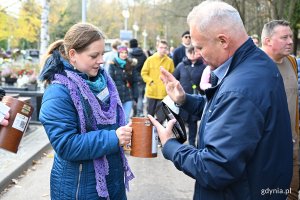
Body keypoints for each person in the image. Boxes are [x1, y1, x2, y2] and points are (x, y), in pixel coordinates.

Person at [147, 1, 293, 199]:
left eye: (200, 47)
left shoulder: (240, 88)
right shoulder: (253, 62)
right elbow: (223, 110)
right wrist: (184, 100)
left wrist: (171, 145)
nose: (197, 54)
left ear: (223, 40)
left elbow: (214, 168)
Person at [38, 23, 134, 200]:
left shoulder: (103, 82)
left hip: (112, 182)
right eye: (94, 55)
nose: (101, 60)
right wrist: (114, 137)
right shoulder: (58, 92)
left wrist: (126, 133)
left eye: (102, 54)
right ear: (73, 54)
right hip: (79, 188)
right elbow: (66, 145)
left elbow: (110, 124)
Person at [261, 19, 299, 200]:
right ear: (267, 41)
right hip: (267, 153)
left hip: (293, 148)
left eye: (291, 36)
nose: (291, 41)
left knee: (291, 195)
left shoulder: (292, 62)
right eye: (284, 37)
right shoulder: (253, 67)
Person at [173, 46, 206, 146]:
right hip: (182, 99)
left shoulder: (203, 66)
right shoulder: (181, 66)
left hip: (196, 98)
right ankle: (178, 143)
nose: (192, 54)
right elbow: (174, 79)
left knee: (193, 124)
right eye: (190, 52)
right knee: (180, 122)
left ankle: (192, 144)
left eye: (194, 52)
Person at [141, 39, 174, 123]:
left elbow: (172, 75)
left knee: (161, 118)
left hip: (163, 93)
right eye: (161, 47)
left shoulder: (169, 61)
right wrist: (150, 81)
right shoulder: (150, 59)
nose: (163, 49)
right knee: (149, 117)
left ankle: (158, 134)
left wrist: (168, 85)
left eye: (165, 48)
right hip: (152, 92)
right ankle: (148, 135)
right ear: (157, 47)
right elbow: (144, 73)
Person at [109, 45, 138, 123]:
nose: (124, 54)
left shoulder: (131, 65)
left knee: (125, 119)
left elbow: (135, 81)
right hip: (117, 97)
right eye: (122, 52)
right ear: (118, 53)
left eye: (125, 52)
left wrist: (136, 96)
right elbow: (110, 81)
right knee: (117, 119)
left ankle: (126, 135)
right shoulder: (112, 64)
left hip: (128, 96)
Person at [128, 39, 147, 117]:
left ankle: (135, 111)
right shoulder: (143, 54)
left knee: (132, 95)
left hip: (131, 77)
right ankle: (140, 112)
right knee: (140, 96)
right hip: (141, 77)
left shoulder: (129, 54)